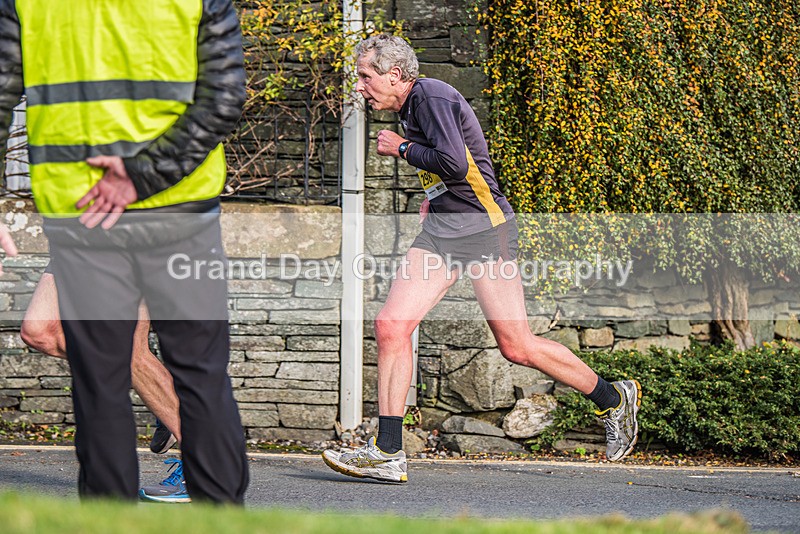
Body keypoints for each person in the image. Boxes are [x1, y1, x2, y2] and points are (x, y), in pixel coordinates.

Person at [322, 35, 642, 483]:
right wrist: (433, 197)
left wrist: (400, 148)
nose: (360, 86)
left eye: (365, 76)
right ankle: (388, 451)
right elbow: (455, 168)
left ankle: (614, 399)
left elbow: (453, 163)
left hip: (483, 231)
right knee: (391, 325)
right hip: (442, 233)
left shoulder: (429, 96)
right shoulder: (413, 106)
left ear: (395, 75)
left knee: (517, 346)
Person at [0, 0, 249, 503]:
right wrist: (142, 175)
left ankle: (108, 520)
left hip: (82, 209)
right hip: (181, 208)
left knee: (100, 381)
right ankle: (222, 518)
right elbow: (225, 97)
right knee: (202, 374)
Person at [20, 268, 190, 502]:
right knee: (40, 332)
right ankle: (169, 402)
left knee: (129, 351)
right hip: (70, 239)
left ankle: (202, 464)